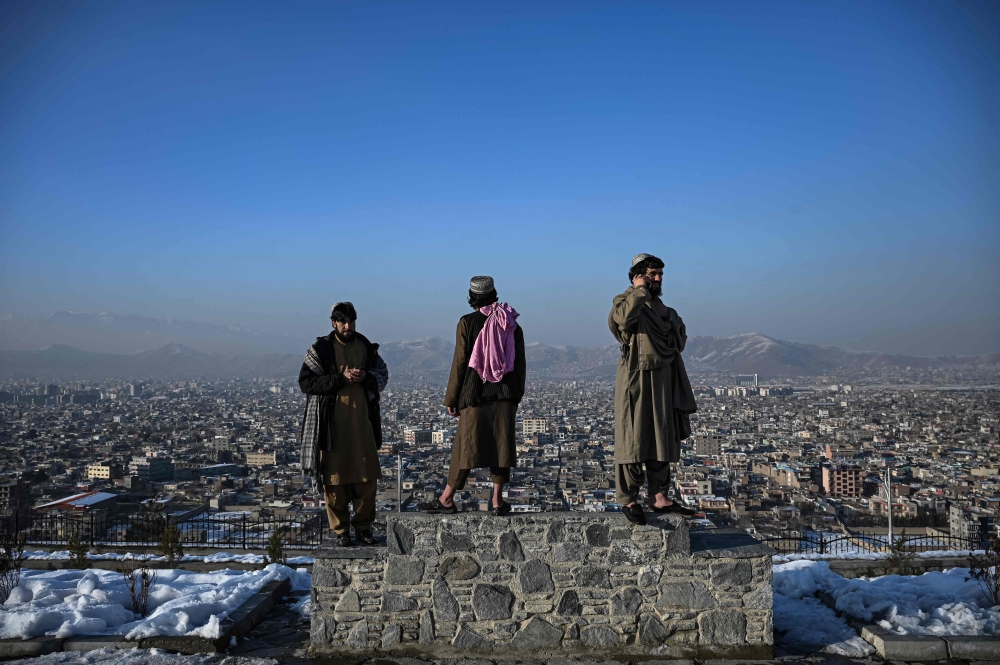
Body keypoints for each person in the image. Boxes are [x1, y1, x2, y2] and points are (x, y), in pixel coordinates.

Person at [420, 276, 526, 516]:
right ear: (493, 293)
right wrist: (516, 395)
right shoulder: (510, 322)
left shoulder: (467, 323)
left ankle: (447, 498)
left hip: (475, 393)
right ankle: (497, 501)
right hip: (505, 394)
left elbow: (460, 362)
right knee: (501, 446)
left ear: (472, 297)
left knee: (464, 447)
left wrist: (452, 399)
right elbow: (519, 364)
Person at [609, 254, 698, 525]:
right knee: (633, 437)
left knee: (662, 436)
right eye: (652, 274)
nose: (657, 279)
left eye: (660, 274)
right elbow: (622, 321)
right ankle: (629, 497)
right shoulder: (624, 302)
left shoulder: (663, 310)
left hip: (663, 380)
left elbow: (679, 340)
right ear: (638, 275)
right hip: (636, 378)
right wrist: (638, 291)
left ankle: (659, 496)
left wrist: (668, 315)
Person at [299, 302, 388, 546]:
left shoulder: (366, 347)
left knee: (366, 480)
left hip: (363, 424)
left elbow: (382, 375)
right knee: (334, 483)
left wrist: (366, 377)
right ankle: (341, 531)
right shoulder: (321, 350)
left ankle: (363, 528)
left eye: (351, 321)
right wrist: (339, 379)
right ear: (333, 323)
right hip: (331, 427)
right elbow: (307, 383)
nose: (347, 326)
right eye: (342, 321)